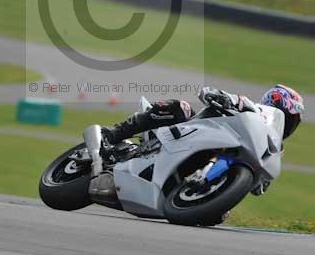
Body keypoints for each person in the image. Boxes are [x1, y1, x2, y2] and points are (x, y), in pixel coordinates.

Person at [89, 84, 303, 197]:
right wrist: (219, 96)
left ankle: (197, 193)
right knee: (179, 107)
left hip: (221, 156)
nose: (290, 124)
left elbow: (259, 189)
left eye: (293, 121)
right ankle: (113, 134)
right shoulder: (254, 110)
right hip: (193, 130)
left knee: (217, 217)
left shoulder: (274, 148)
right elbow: (225, 98)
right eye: (288, 116)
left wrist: (241, 187)